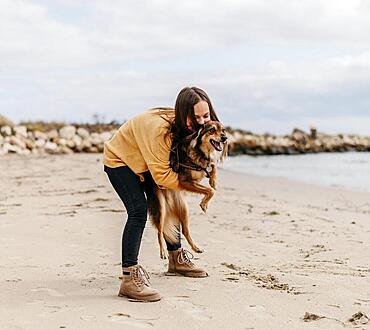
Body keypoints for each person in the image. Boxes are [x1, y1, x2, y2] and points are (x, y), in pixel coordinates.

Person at [103, 86, 220, 302]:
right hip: (121, 161)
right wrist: (196, 184)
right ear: (183, 114)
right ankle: (129, 278)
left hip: (146, 162)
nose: (203, 121)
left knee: (174, 199)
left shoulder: (189, 127)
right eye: (197, 117)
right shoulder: (160, 130)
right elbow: (163, 178)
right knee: (138, 212)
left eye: (206, 115)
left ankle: (176, 259)